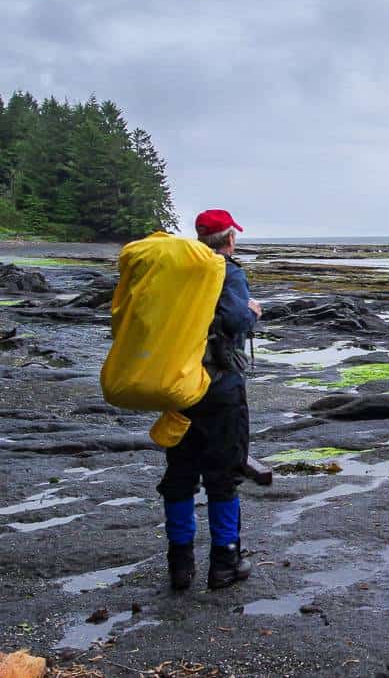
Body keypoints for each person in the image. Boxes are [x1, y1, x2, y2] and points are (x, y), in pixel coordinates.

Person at [157, 209, 261, 590]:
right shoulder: (227, 271)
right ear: (230, 239)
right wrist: (252, 314)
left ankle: (180, 566)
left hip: (179, 384)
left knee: (180, 473)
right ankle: (224, 564)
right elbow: (235, 321)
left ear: (200, 237)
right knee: (224, 475)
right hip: (220, 389)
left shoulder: (180, 271)